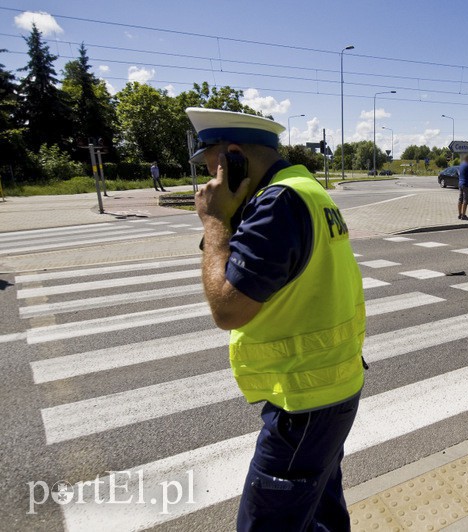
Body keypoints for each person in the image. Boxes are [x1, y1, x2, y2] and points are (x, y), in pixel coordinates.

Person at [188, 107, 365, 532]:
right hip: (330, 388)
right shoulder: (306, 188)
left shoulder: (277, 204)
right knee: (321, 516)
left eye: (209, 164)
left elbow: (228, 310)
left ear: (233, 156)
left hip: (303, 402)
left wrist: (215, 222)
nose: (209, 179)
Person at [457, 154, 468, 220]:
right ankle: (463, 215)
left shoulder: (461, 166)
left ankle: (459, 214)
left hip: (460, 184)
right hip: (467, 184)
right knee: (465, 200)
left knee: (460, 199)